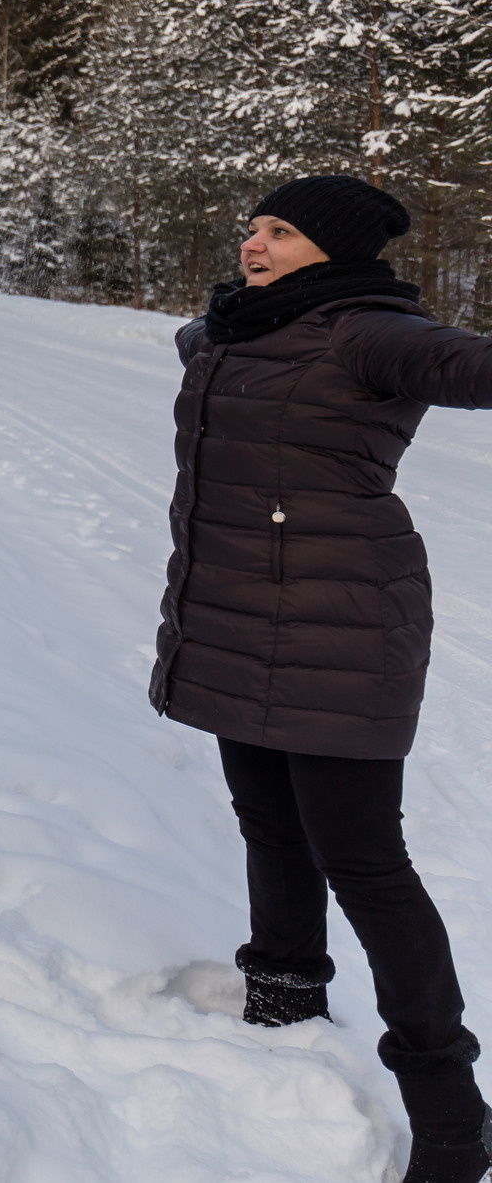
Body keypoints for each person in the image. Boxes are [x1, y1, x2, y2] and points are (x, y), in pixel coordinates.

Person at [150, 175, 492, 1183]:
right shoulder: (236, 330)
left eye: (279, 232)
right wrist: (211, 329)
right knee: (268, 822)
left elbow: (462, 366)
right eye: (250, 225)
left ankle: (450, 1116)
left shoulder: (367, 333)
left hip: (340, 625)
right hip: (239, 616)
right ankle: (285, 993)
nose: (252, 244)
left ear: (333, 253)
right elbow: (201, 349)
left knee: (365, 864)